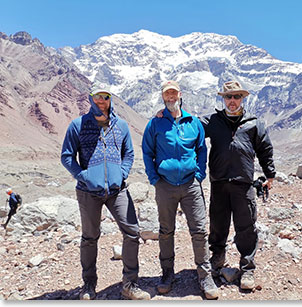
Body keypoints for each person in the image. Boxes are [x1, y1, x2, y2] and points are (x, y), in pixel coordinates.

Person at [61, 82, 150, 300]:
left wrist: (122, 174)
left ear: (111, 99)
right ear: (90, 98)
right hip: (88, 191)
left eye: (105, 97)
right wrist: (84, 177)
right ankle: (88, 285)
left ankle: (130, 283)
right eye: (97, 97)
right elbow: (67, 156)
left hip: (117, 190)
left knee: (132, 231)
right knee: (90, 237)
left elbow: (128, 154)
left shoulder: (121, 126)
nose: (101, 101)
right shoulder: (77, 125)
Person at [142, 80, 219, 299]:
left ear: (180, 94)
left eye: (174, 93)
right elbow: (147, 152)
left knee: (199, 230)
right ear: (163, 97)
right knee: (166, 231)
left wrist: (199, 174)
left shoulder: (193, 122)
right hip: (165, 186)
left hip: (190, 185)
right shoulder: (155, 124)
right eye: (167, 94)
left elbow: (201, 149)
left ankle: (205, 276)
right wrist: (154, 178)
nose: (171, 97)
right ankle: (167, 274)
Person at [201, 81, 275, 290]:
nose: (232, 101)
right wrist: (166, 113)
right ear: (223, 99)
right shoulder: (212, 121)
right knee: (217, 223)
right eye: (228, 97)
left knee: (246, 227)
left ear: (243, 98)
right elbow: (189, 126)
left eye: (236, 97)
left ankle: (248, 268)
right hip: (219, 182)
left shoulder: (254, 123)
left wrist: (270, 174)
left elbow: (265, 149)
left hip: (244, 184)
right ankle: (217, 259)